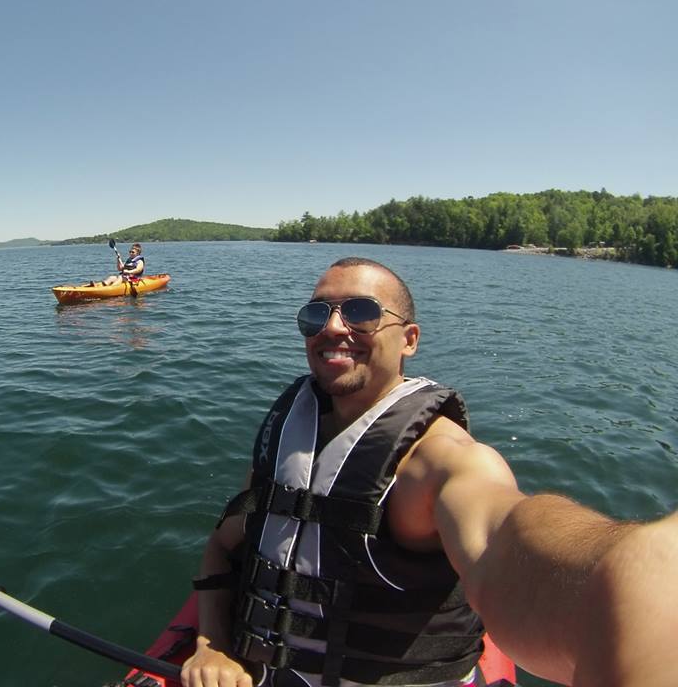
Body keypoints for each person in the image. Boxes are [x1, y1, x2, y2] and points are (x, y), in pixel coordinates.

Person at [181, 257, 678, 687]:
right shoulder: (288, 431)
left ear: (410, 340)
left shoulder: (441, 460)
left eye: (360, 312)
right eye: (317, 313)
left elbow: (502, 533)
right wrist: (212, 646)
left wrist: (623, 576)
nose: (332, 328)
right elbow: (223, 546)